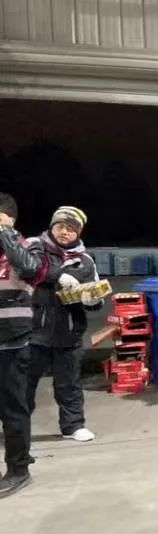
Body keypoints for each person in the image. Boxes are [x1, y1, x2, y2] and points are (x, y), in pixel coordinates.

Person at [25, 207, 101, 443]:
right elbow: (30, 267)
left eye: (71, 228)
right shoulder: (35, 246)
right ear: (52, 227)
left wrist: (93, 299)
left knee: (69, 383)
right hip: (33, 330)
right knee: (22, 383)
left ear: (78, 233)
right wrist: (58, 275)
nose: (65, 232)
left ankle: (73, 425)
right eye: (60, 226)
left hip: (69, 332)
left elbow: (95, 296)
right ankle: (15, 427)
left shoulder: (85, 261)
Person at [0, 193, 46, 498]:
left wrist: (6, 234)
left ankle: (18, 469)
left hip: (12, 340)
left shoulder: (29, 245)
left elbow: (29, 268)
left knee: (13, 409)